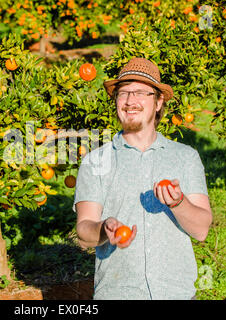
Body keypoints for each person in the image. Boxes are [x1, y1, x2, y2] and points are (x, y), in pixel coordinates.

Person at [73, 57, 213, 300]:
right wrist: (104, 229)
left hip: (176, 293)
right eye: (123, 93)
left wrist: (178, 203)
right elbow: (85, 231)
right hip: (117, 293)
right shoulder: (95, 161)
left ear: (158, 102)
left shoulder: (185, 157)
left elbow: (201, 230)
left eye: (140, 92)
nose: (129, 101)